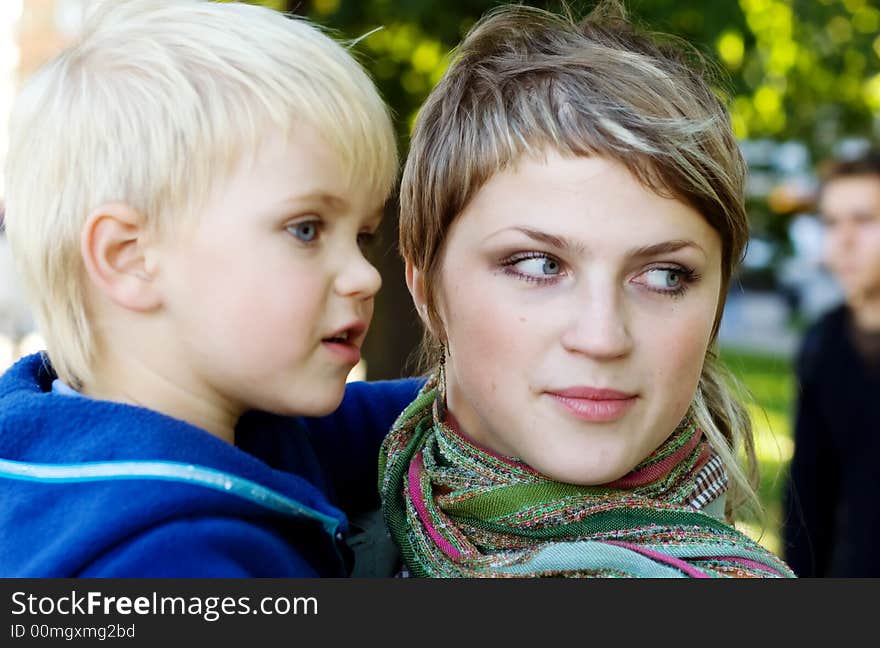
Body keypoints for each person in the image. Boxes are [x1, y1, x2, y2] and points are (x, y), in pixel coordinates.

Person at [0, 0, 422, 577]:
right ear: (131, 259)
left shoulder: (229, 419)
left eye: (365, 236)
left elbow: (401, 417)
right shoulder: (165, 562)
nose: (366, 275)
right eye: (306, 230)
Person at [379, 1, 794, 578]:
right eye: (539, 265)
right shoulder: (272, 541)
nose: (602, 337)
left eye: (664, 276)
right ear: (426, 290)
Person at [782, 150, 880, 577]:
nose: (844, 240)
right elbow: (808, 493)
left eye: (863, 221)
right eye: (831, 223)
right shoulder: (823, 343)